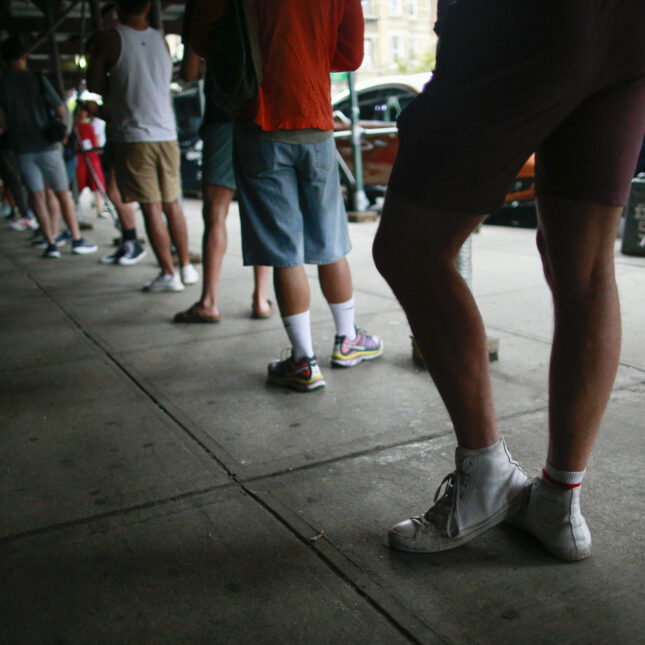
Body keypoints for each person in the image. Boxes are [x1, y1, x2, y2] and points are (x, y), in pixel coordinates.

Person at [372, 0, 645, 561]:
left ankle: (487, 473)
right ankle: (557, 502)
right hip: (633, 30)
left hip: (533, 20)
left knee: (410, 247)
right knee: (587, 266)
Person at [187, 0, 383, 391]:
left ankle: (303, 361)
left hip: (260, 122)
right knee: (331, 241)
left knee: (284, 249)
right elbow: (350, 54)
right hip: (315, 117)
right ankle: (347, 341)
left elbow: (201, 38)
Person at [87, 0, 197, 290]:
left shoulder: (109, 38)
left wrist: (115, 93)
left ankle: (168, 274)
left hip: (135, 137)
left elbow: (94, 85)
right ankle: (186, 267)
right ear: (147, 6)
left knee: (151, 208)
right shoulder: (161, 40)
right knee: (173, 205)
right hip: (166, 134)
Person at [173, 18, 272, 323]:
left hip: (222, 119)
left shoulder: (208, 10)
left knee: (215, 214)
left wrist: (214, 68)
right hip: (260, 117)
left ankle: (209, 301)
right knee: (262, 215)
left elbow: (189, 72)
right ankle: (260, 300)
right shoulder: (262, 10)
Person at [0, 36, 97, 258]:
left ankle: (51, 242)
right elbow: (61, 111)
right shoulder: (37, 78)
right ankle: (75, 238)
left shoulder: (3, 84)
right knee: (62, 193)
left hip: (22, 148)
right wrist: (62, 134)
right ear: (24, 57)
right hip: (48, 145)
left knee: (37, 195)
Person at [73, 102, 107, 217]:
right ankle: (75, 210)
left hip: (92, 155)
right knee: (79, 183)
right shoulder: (74, 127)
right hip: (80, 156)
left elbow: (95, 141)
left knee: (97, 183)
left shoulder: (90, 125)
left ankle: (100, 209)